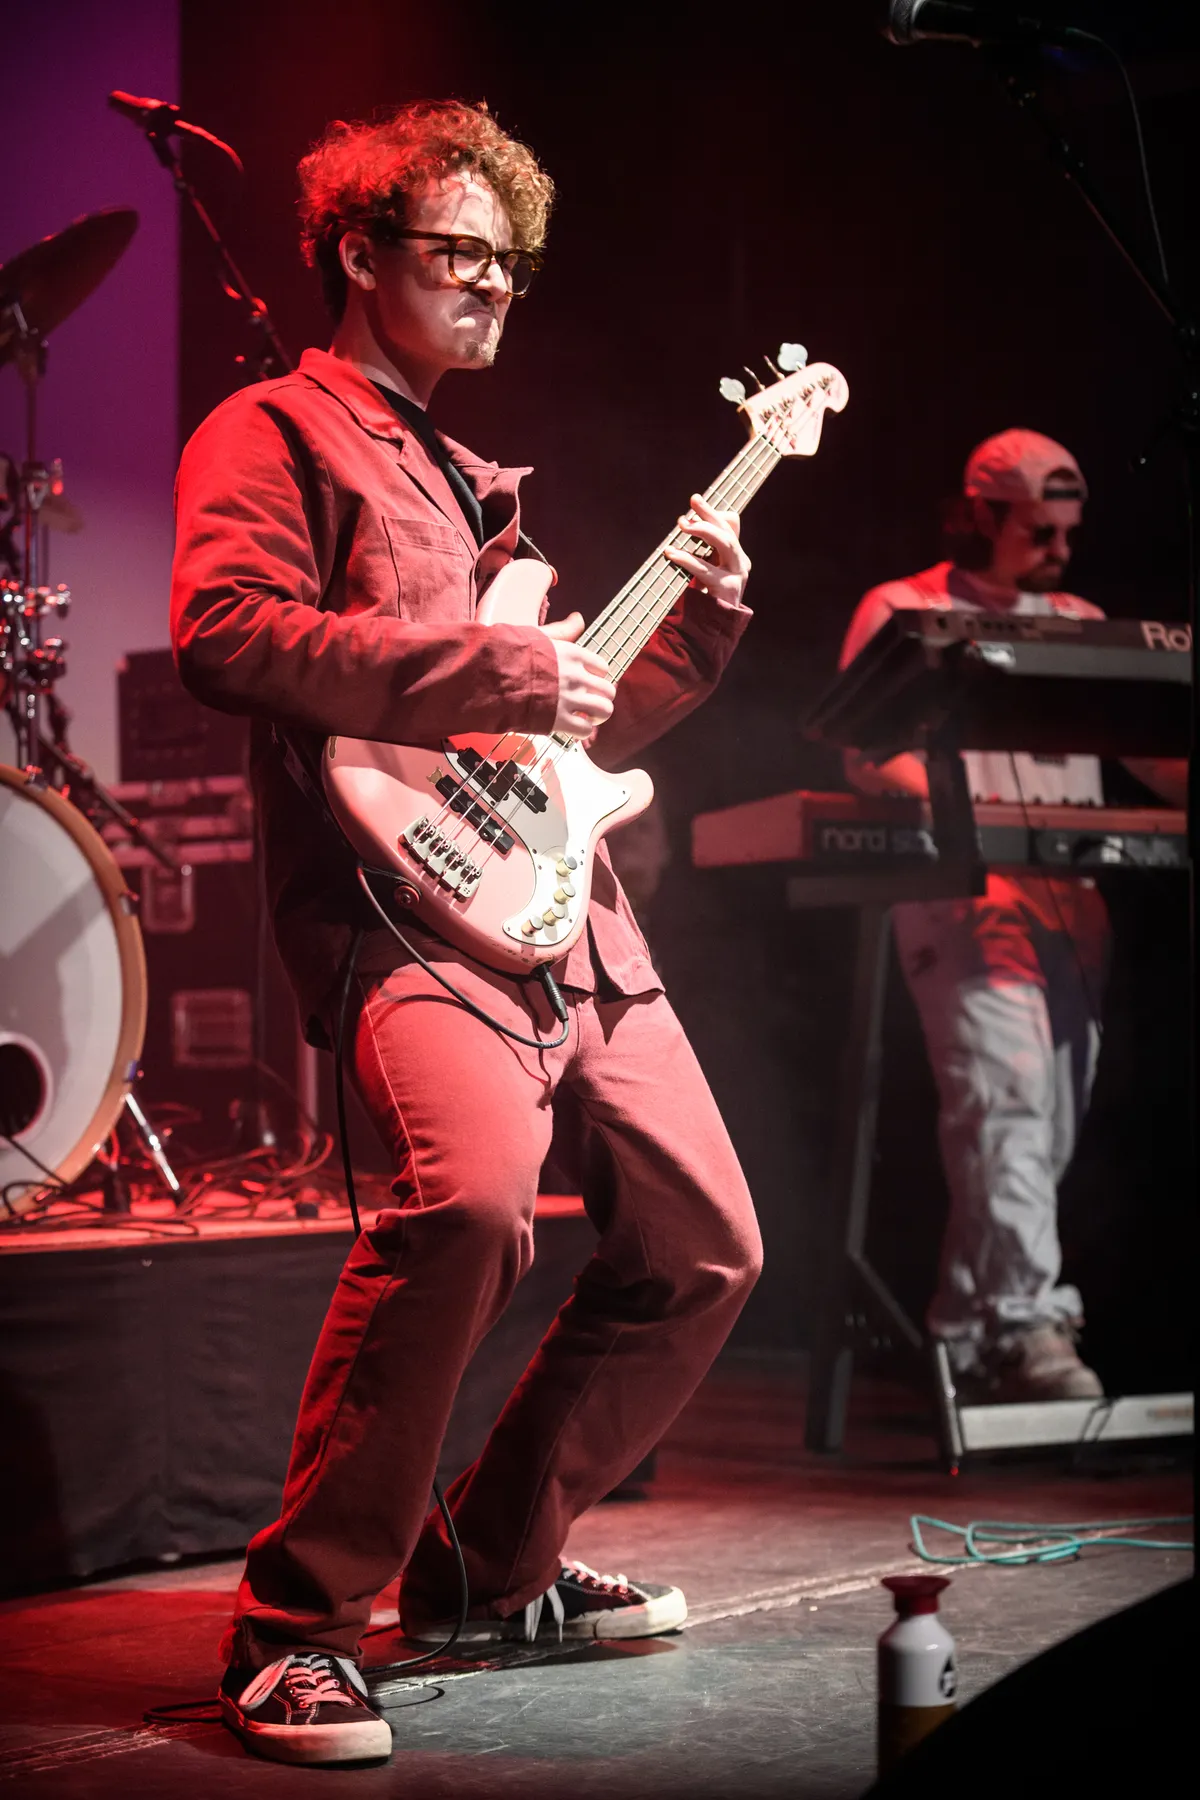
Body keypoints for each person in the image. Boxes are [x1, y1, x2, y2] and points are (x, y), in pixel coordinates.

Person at [170, 100, 762, 1767]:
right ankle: (294, 1627)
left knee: (708, 1243)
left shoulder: (478, 486)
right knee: (474, 1206)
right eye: (460, 255)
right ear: (360, 254)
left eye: (512, 265)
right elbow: (226, 631)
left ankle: (489, 1572)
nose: (496, 287)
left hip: (572, 920)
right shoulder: (272, 431)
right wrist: (503, 668)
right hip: (402, 909)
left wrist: (701, 624)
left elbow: (570, 745)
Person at [840, 428, 1186, 1407]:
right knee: (1008, 1102)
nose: (1062, 552)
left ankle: (967, 1329)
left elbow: (1147, 751)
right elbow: (868, 755)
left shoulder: (1083, 620)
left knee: (1047, 1120)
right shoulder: (903, 608)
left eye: (1071, 531)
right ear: (980, 518)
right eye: (1041, 533)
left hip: (1072, 902)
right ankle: (1031, 1322)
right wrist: (974, 831)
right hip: (967, 895)